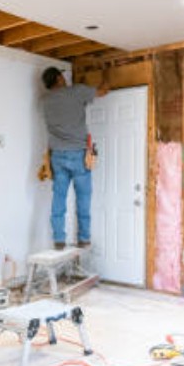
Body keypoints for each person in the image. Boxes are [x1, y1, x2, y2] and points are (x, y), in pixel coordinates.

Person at [40, 67, 108, 250]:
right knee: (83, 199)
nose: (64, 78)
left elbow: (71, 108)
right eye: (62, 76)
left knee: (59, 199)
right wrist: (106, 76)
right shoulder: (76, 91)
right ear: (59, 78)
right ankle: (84, 239)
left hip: (57, 156)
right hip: (78, 155)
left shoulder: (45, 100)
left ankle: (59, 239)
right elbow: (102, 92)